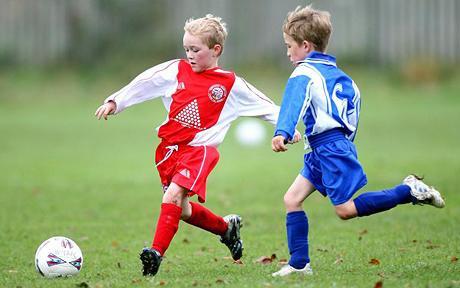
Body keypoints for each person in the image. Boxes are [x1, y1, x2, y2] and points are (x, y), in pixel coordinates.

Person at [95, 14, 300, 277]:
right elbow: (145, 83)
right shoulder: (175, 70)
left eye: (196, 50)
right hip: (169, 150)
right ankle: (226, 230)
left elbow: (264, 106)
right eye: (187, 49)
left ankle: (155, 254)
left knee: (171, 197)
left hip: (200, 151)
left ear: (216, 50)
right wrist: (116, 102)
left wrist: (287, 127)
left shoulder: (229, 84)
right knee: (181, 209)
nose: (190, 55)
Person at [271, 5, 445, 277]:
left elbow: (292, 104)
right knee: (292, 198)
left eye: (289, 45)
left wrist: (282, 131)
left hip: (328, 148)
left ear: (305, 45)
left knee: (344, 210)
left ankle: (408, 191)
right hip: (327, 146)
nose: (288, 52)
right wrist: (337, 144)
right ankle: (299, 263)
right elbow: (350, 116)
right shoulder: (345, 79)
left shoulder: (303, 73)